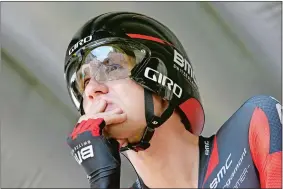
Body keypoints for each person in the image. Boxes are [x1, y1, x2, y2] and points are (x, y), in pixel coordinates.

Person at [64, 12, 282, 188]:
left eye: (111, 67)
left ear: (162, 78)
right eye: (83, 83)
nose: (91, 90)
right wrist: (102, 180)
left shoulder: (256, 121)